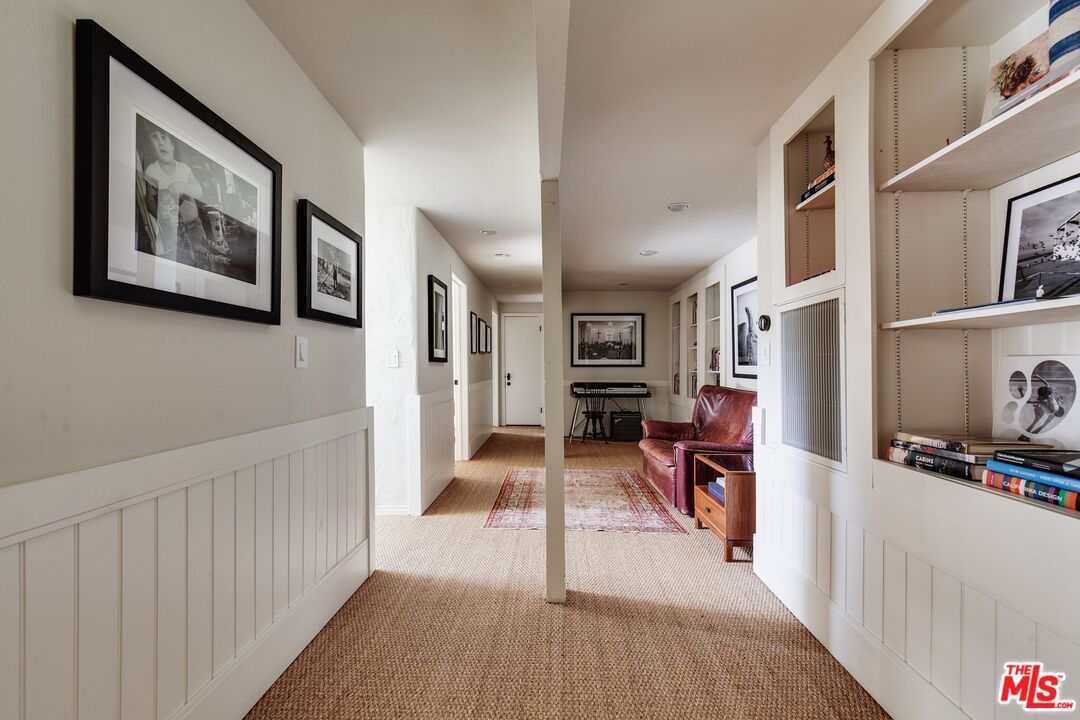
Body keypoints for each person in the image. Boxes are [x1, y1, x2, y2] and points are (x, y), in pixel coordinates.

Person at [143, 126, 202, 260]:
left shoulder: (184, 169)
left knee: (202, 257)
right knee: (182, 260)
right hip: (172, 229)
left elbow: (199, 191)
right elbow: (150, 200)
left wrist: (183, 186)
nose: (160, 142)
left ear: (172, 146)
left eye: (164, 137)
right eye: (154, 137)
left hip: (195, 226)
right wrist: (164, 217)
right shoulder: (152, 171)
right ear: (151, 147)